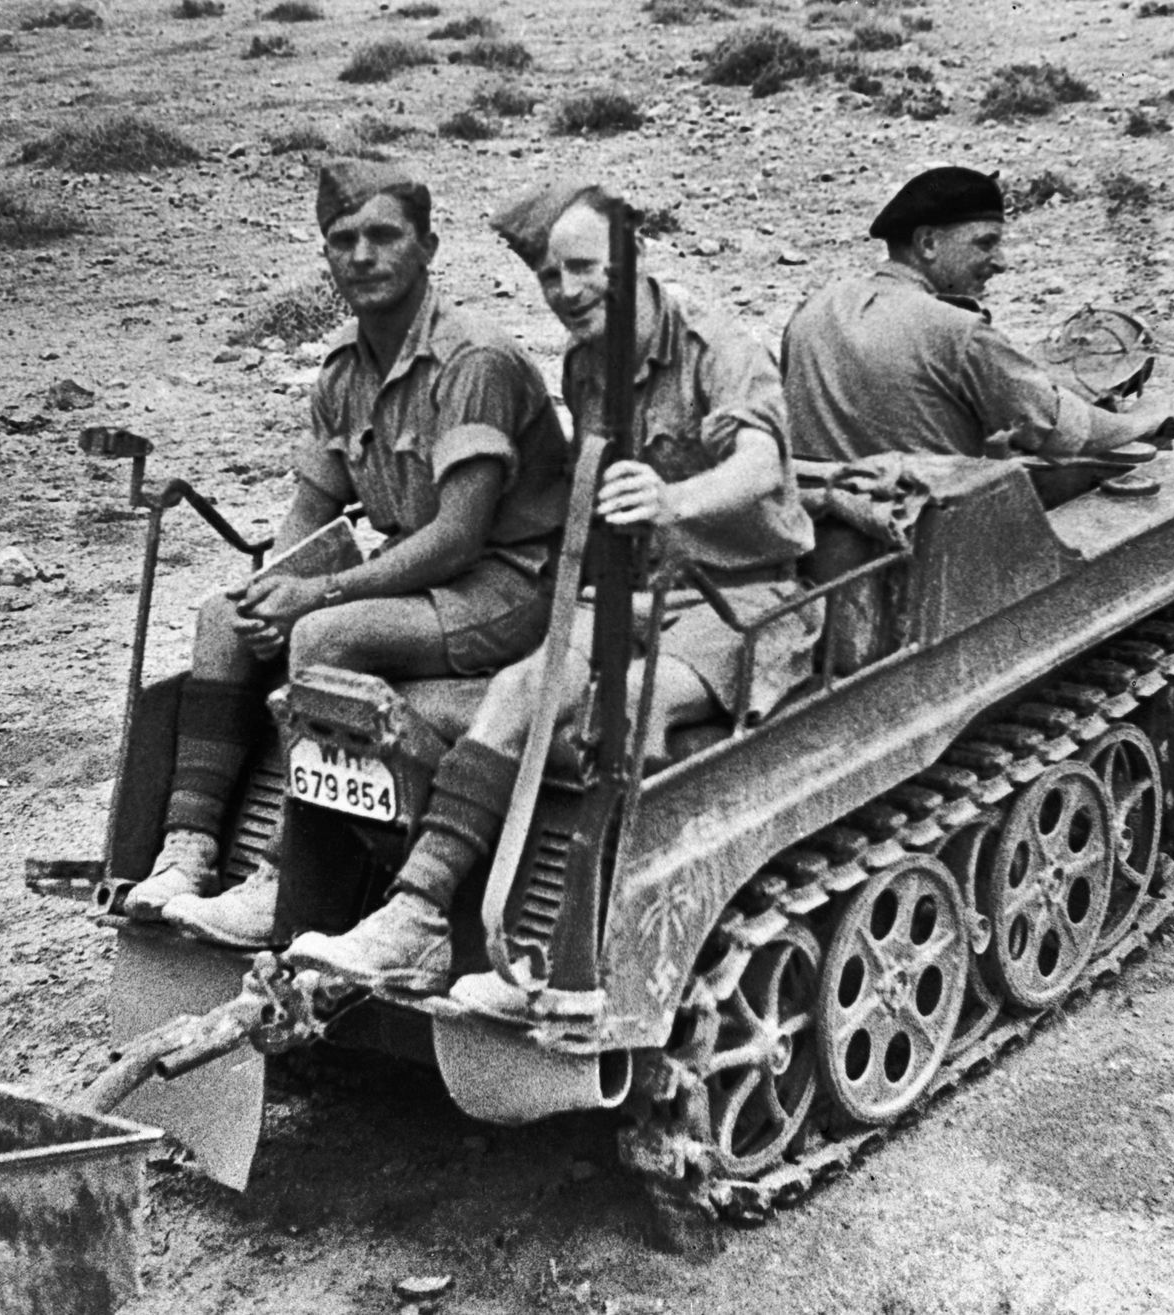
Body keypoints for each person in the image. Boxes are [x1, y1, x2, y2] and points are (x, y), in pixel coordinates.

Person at [285, 182, 820, 994]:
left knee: (621, 708)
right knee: (521, 688)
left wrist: (675, 499)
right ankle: (422, 916)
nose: (567, 292)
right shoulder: (585, 362)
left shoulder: (717, 346)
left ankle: (572, 961)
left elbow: (758, 462)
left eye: (584, 269)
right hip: (634, 593)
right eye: (549, 277)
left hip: (737, 601)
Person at [131, 161, 571, 949]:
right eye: (342, 240)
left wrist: (318, 597)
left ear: (428, 245)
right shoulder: (343, 369)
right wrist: (270, 592)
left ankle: (288, 884)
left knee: (324, 637)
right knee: (220, 619)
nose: (362, 255)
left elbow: (458, 535)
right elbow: (309, 515)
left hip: (511, 587)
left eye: (383, 236)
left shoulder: (476, 362)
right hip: (424, 583)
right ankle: (186, 852)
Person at [780, 165, 1172, 462]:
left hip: (823, 536)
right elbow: (1064, 431)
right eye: (985, 243)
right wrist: (1143, 420)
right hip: (932, 545)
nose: (1000, 262)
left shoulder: (814, 308)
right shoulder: (958, 331)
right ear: (928, 242)